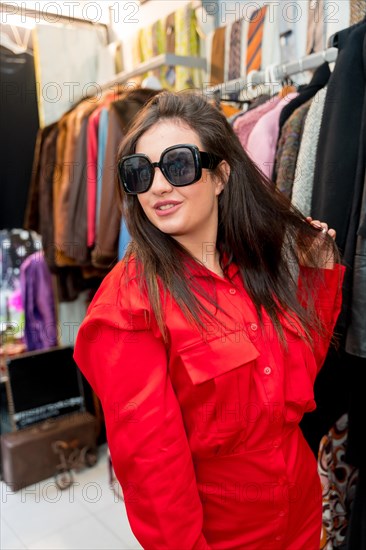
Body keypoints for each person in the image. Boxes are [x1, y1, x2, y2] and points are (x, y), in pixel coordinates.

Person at [74, 91, 345, 550]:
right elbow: (154, 476)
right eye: (141, 173)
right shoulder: (129, 308)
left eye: (177, 165)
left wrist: (316, 279)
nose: (158, 187)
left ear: (220, 175)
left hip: (300, 515)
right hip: (227, 538)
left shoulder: (253, 265)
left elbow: (295, 387)